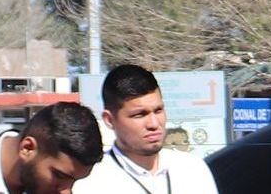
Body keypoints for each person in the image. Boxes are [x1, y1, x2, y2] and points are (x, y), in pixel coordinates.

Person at [74, 64, 219, 194]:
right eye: (139, 115)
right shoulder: (90, 182)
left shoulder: (193, 169)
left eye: (158, 111)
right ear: (109, 120)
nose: (153, 124)